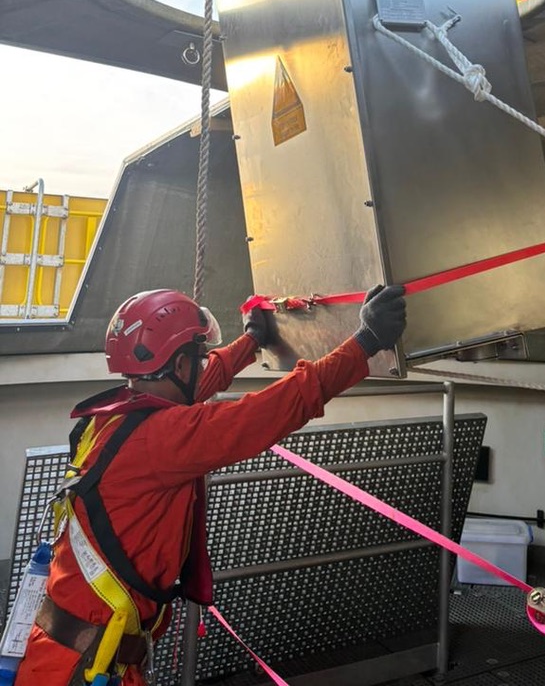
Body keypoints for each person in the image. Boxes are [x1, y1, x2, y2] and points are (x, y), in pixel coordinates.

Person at [16, 283, 407, 686]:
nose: (202, 366)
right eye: (196, 359)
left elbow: (205, 378)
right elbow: (277, 408)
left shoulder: (113, 416)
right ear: (181, 367)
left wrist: (252, 340)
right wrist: (366, 341)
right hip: (84, 672)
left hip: (60, 656)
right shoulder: (164, 438)